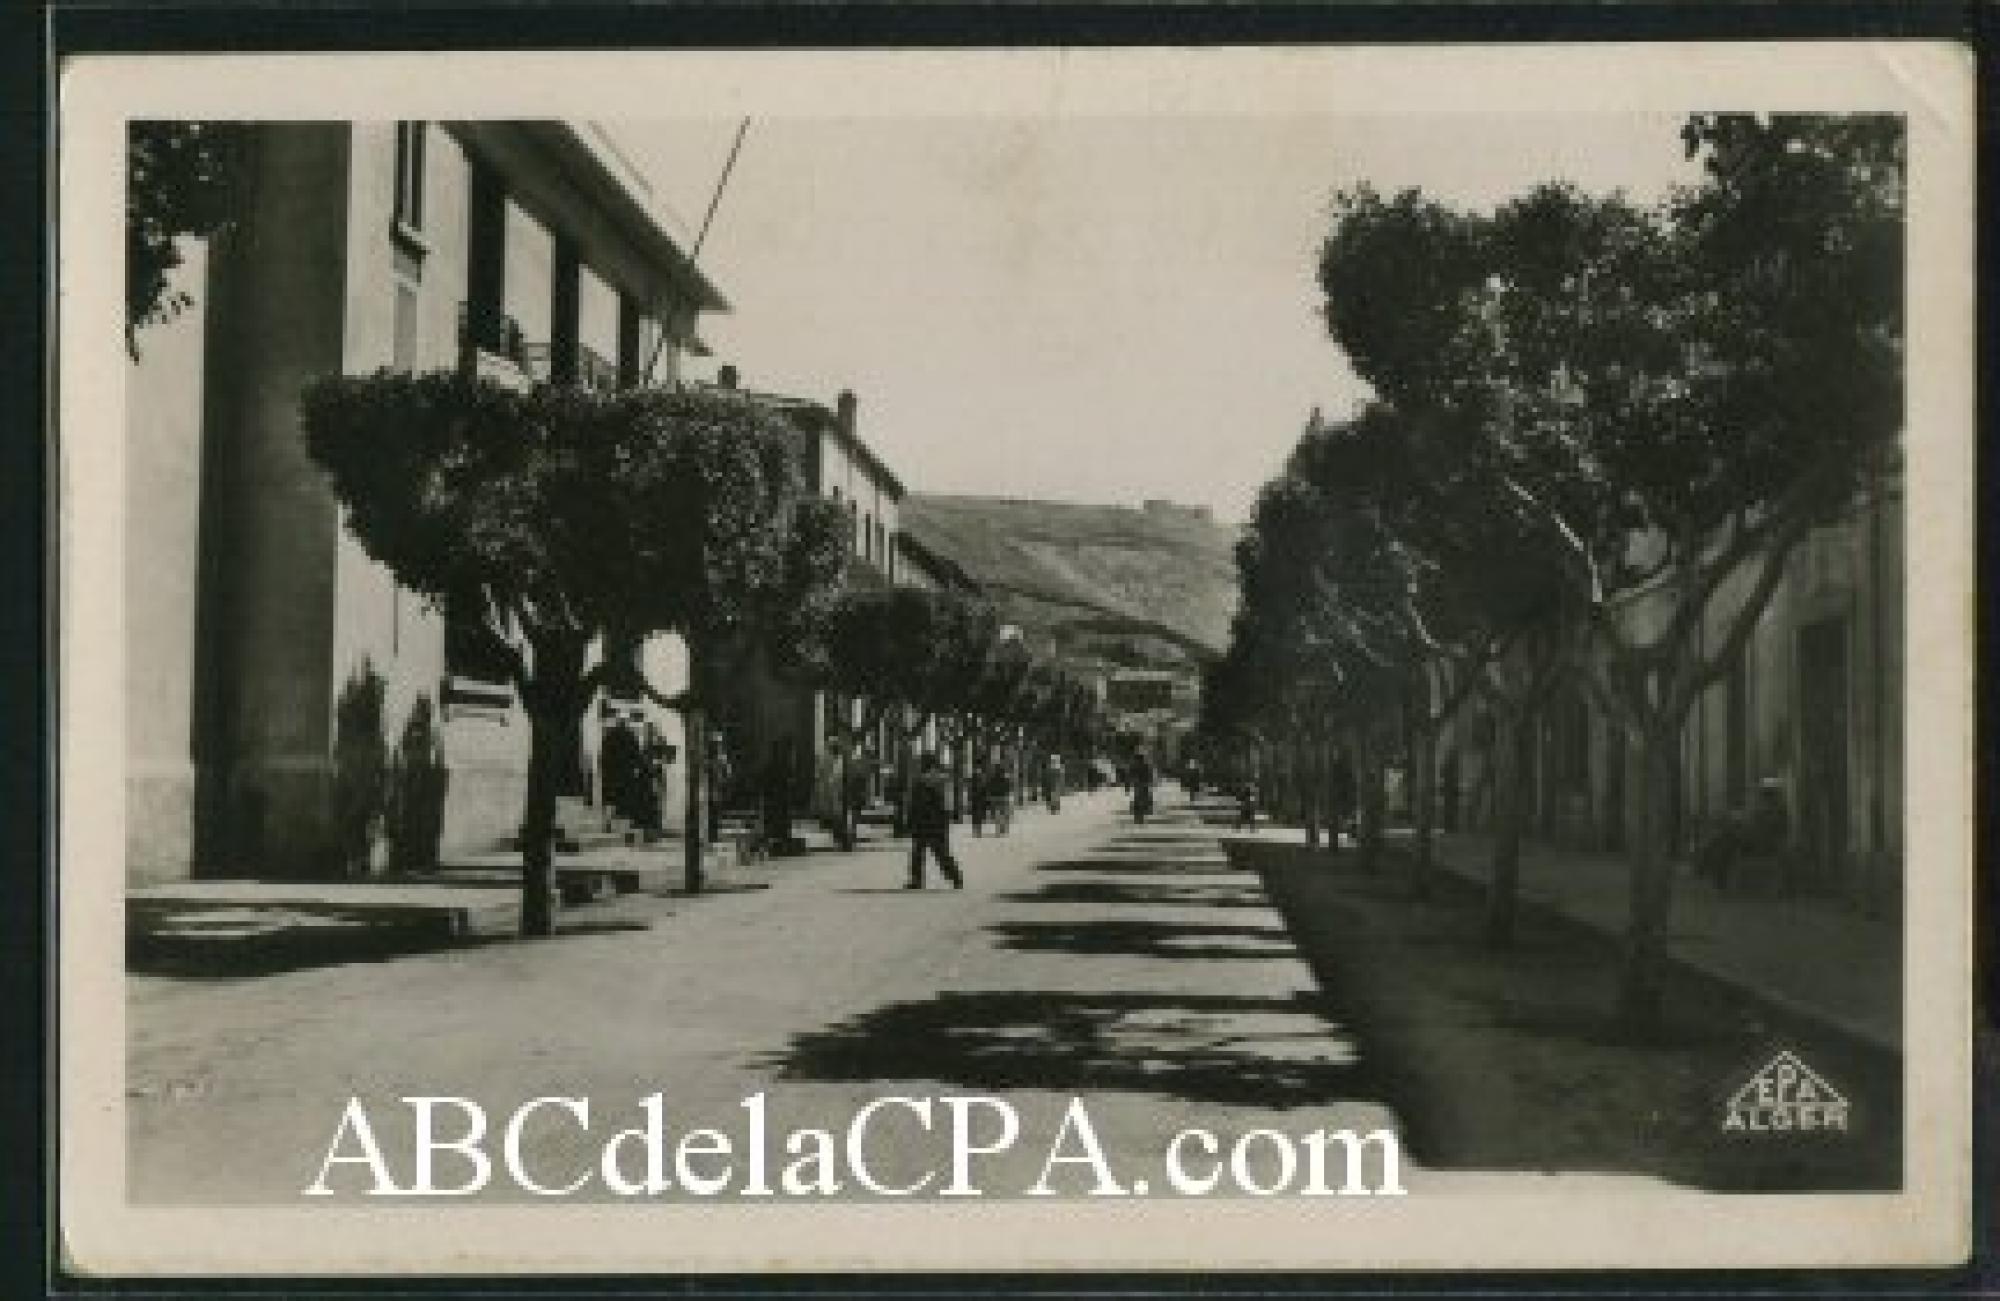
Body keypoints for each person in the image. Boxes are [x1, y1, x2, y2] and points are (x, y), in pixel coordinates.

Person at [905, 753, 963, 889]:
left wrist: (910, 821)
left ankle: (917, 880)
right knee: (941, 852)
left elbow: (914, 805)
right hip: (938, 822)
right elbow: (946, 804)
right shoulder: (942, 781)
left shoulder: (920, 782)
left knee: (919, 852)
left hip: (923, 822)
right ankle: (955, 877)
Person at [985, 758, 1015, 836]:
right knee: (1004, 814)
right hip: (1002, 797)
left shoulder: (992, 778)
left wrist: (989, 796)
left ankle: (999, 829)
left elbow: (988, 787)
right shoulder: (1005, 778)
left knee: (997, 815)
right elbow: (1008, 788)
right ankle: (1003, 828)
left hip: (995, 797)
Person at [1130, 750, 1156, 824]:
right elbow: (1150, 776)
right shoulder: (1144, 766)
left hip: (1141, 785)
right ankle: (1139, 816)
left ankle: (1139, 816)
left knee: (1140, 800)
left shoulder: (1137, 766)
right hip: (1142, 785)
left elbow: (1132, 776)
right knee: (1141, 800)